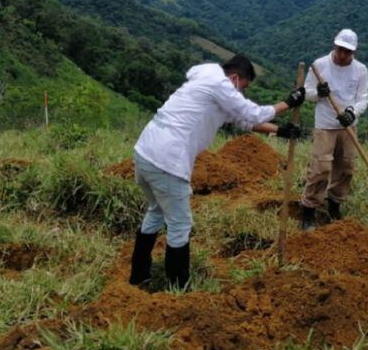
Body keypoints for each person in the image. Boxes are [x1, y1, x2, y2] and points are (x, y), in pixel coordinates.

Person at [128, 55, 304, 290]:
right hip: (167, 160)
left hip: (145, 152)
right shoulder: (220, 84)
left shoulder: (205, 81)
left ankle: (139, 276)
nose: (241, 93)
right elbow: (252, 113)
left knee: (157, 210)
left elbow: (244, 122)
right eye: (243, 87)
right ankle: (178, 288)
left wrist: (279, 130)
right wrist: (288, 103)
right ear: (234, 78)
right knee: (180, 225)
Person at [299, 28, 368, 230]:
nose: (342, 55)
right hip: (325, 125)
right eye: (340, 50)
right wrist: (318, 94)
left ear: (354, 52)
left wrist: (352, 113)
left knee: (346, 167)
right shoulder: (319, 66)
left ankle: (335, 204)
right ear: (334, 46)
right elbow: (307, 93)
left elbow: (363, 98)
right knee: (321, 167)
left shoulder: (361, 70)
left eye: (347, 52)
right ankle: (309, 209)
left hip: (348, 126)